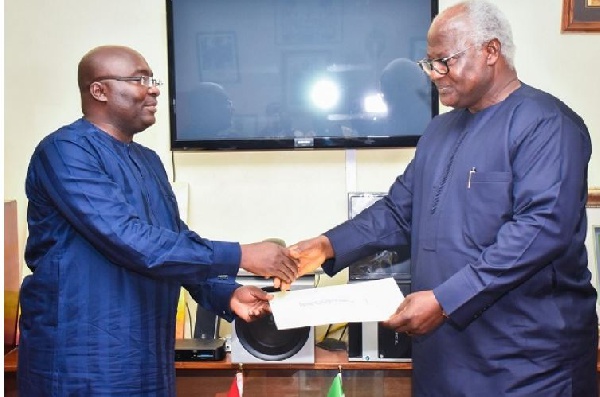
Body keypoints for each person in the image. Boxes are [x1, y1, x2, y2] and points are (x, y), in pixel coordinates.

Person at [287, 1, 598, 395]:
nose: (435, 74)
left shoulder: (547, 126)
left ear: (491, 51)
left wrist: (444, 300)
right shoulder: (438, 131)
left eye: (445, 61)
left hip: (527, 366)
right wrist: (328, 246)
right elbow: (399, 211)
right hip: (444, 360)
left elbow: (538, 231)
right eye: (429, 63)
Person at [19, 45, 297, 396]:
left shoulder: (149, 160)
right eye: (139, 79)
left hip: (148, 354)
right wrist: (241, 254)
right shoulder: (65, 151)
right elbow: (128, 239)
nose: (153, 89)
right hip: (82, 357)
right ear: (99, 90)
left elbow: (172, 243)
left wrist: (227, 294)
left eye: (152, 79)